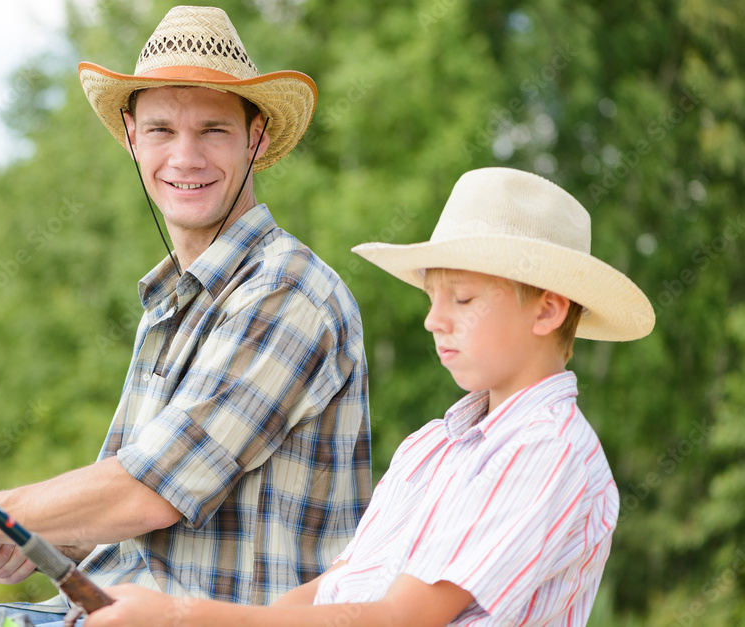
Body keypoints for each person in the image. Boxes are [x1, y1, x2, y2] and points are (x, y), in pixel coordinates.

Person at [0, 5, 372, 626]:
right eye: (161, 130)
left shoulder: (286, 293)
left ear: (256, 136)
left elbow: (149, 491)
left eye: (213, 130)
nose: (185, 157)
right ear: (132, 138)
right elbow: (129, 513)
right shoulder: (171, 302)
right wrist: (30, 536)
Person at [80, 166, 656, 627]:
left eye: (461, 299)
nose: (434, 320)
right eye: (433, 299)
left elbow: (400, 618)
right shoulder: (430, 449)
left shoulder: (548, 452)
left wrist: (182, 619)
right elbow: (336, 593)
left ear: (549, 309)